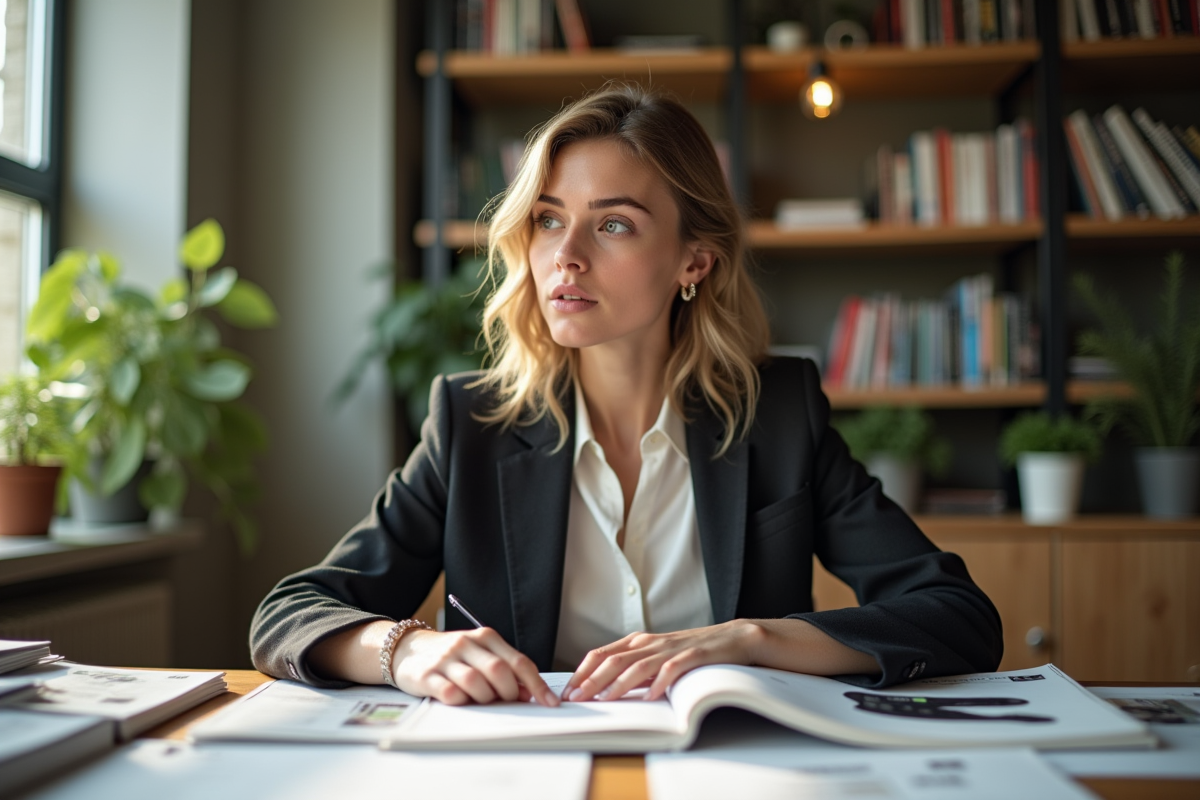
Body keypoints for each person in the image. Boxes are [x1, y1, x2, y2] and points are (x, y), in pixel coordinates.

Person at [250, 85, 1002, 709]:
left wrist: (750, 640)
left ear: (694, 261)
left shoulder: (778, 416)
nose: (566, 256)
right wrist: (405, 649)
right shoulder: (471, 422)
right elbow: (287, 615)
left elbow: (959, 616)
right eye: (548, 219)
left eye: (613, 224)